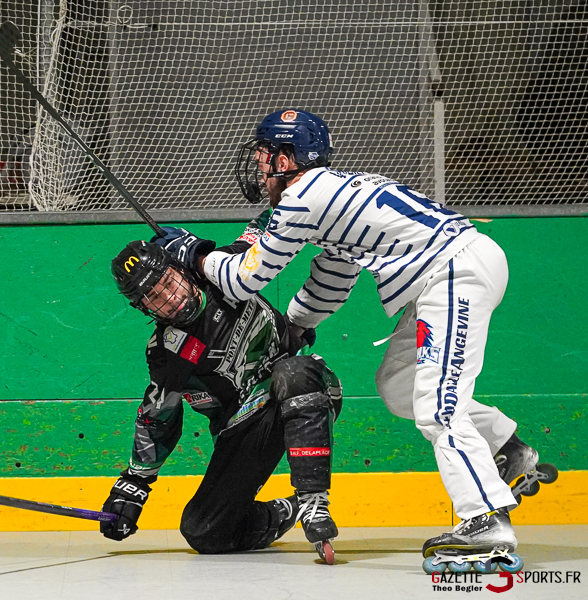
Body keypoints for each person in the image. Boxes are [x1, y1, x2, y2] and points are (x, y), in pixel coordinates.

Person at [154, 109, 554, 568]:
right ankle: (507, 450)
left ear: (285, 160)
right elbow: (334, 278)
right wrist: (294, 326)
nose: (259, 166)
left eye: (265, 155)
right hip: (448, 274)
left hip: (453, 273)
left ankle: (485, 519)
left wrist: (194, 252)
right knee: (399, 386)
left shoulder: (301, 198)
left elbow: (244, 278)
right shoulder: (330, 195)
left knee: (438, 406)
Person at [101, 240, 343, 563]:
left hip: (307, 388)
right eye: (155, 298)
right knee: (203, 530)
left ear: (180, 269)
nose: (170, 299)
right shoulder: (167, 353)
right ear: (143, 309)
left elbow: (273, 226)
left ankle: (314, 501)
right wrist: (135, 483)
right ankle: (289, 510)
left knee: (292, 372)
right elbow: (158, 419)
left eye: (169, 283)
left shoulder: (224, 270)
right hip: (248, 426)